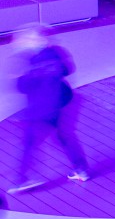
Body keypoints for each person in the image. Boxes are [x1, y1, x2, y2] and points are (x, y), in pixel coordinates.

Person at [7, 29, 91, 194]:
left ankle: (23, 179)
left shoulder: (29, 61)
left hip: (42, 109)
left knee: (29, 143)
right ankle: (82, 170)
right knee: (65, 136)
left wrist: (17, 75)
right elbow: (69, 69)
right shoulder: (56, 52)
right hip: (63, 102)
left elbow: (22, 86)